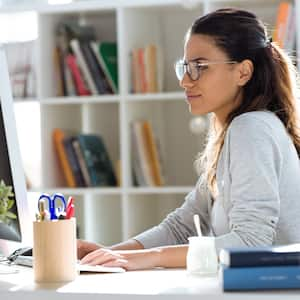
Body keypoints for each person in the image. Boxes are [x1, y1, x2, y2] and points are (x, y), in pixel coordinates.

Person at [78, 8, 300, 270]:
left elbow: (251, 242)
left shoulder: (251, 128)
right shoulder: (235, 134)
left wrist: (151, 257)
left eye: (199, 67)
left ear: (243, 72)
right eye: (185, 67)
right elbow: (180, 226)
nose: (185, 81)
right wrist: (105, 257)